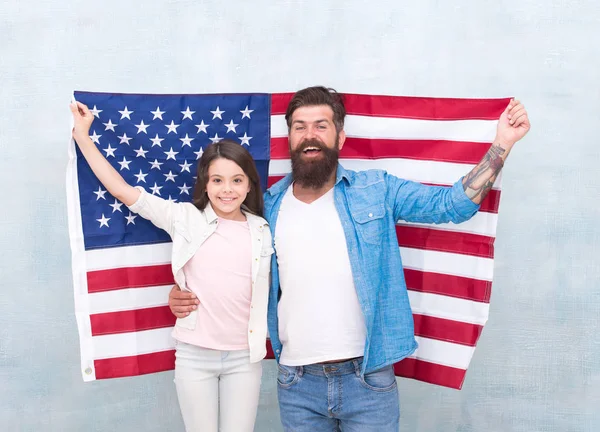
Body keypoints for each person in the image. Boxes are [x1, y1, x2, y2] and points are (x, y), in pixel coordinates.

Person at [167, 86, 531, 431]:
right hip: (297, 383)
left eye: (321, 126)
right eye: (300, 127)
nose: (310, 135)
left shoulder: (377, 189)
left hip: (368, 379)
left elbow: (450, 206)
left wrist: (502, 144)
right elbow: (227, 259)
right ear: (290, 138)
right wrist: (182, 292)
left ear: (339, 137)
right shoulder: (268, 208)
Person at [70, 101, 273, 432]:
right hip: (195, 355)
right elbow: (124, 192)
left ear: (250, 184)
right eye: (217, 180)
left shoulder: (262, 229)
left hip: (244, 357)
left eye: (237, 180)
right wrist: (83, 137)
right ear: (205, 184)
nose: (227, 189)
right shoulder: (184, 218)